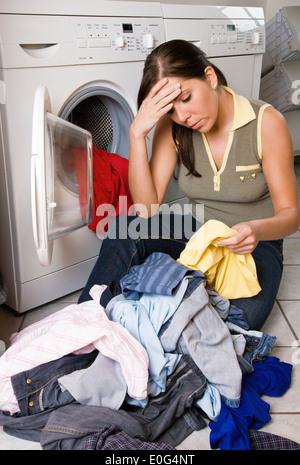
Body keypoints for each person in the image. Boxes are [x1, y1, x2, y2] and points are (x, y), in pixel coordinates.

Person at [79, 40, 300, 330]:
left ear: (210, 78)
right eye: (170, 110)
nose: (182, 116)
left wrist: (256, 230)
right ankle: (82, 324)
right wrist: (136, 133)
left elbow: (290, 215)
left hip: (252, 243)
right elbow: (145, 210)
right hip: (197, 231)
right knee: (123, 228)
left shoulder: (267, 123)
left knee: (242, 318)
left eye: (186, 98)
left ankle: (162, 311)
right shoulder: (173, 128)